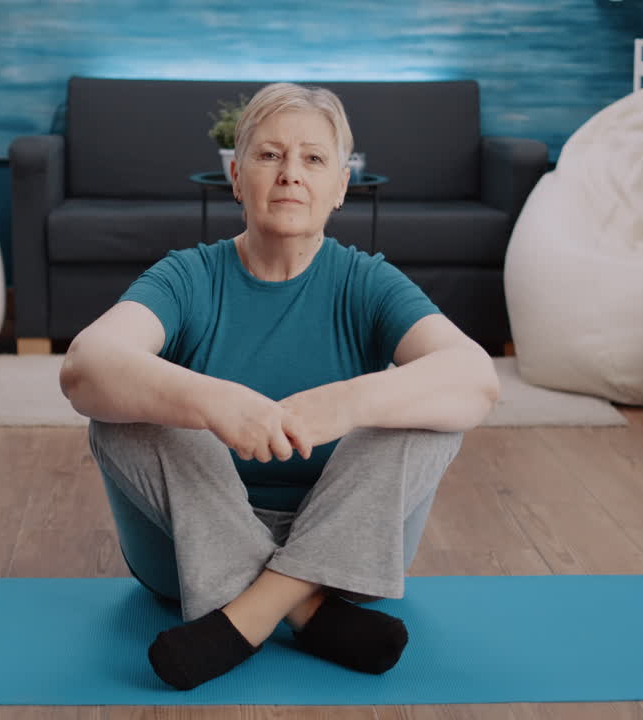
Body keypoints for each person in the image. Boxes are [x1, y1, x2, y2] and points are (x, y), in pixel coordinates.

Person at [59, 82, 499, 690]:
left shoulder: (368, 282)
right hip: (184, 551)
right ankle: (306, 610)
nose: (291, 174)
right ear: (237, 177)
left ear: (341, 186)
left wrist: (348, 403)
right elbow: (85, 365)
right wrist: (214, 402)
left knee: (428, 415)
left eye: (314, 159)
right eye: (269, 156)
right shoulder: (188, 275)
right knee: (121, 411)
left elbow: (477, 379)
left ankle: (248, 616)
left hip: (348, 543)